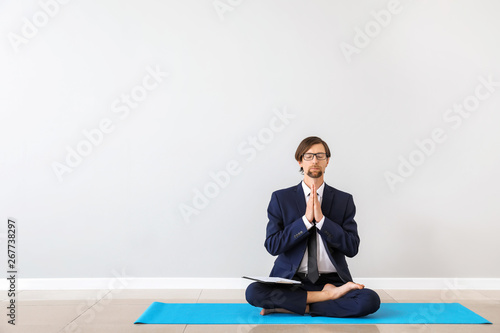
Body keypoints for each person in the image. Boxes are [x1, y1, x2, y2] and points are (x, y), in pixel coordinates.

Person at [245, 136, 380, 317]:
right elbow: (273, 246)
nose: (315, 160)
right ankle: (325, 298)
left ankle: (296, 306)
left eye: (320, 156)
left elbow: (352, 248)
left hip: (332, 281)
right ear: (300, 161)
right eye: (308, 156)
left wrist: (323, 221)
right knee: (253, 292)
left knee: (370, 300)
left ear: (327, 161)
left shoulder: (344, 200)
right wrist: (306, 222)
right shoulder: (281, 198)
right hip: (292, 281)